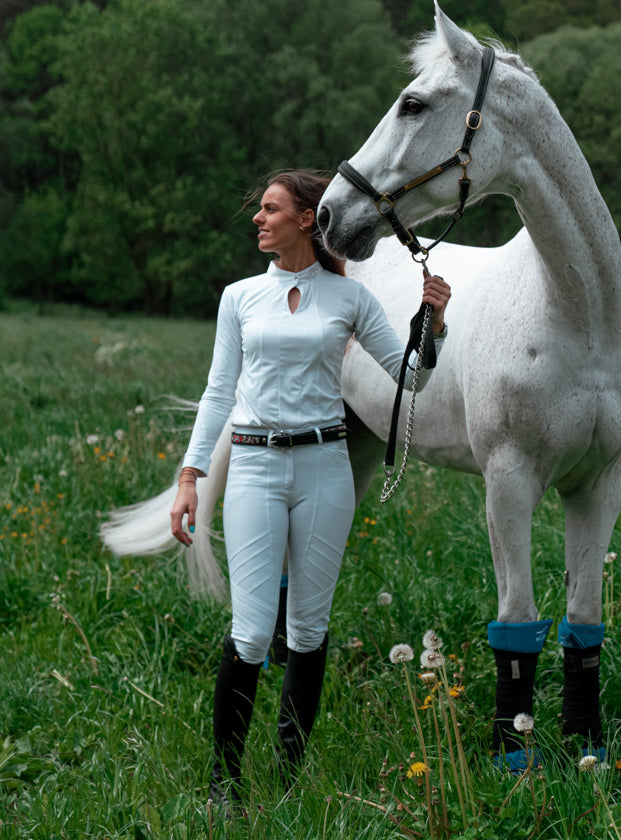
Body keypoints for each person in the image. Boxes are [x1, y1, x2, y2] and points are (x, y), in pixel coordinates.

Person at [169, 170, 451, 805]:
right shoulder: (239, 297)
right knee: (248, 631)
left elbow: (413, 378)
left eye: (270, 210)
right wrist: (190, 476)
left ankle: (291, 779)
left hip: (325, 470)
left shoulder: (347, 299)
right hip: (254, 468)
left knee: (309, 629)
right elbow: (218, 392)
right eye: (258, 211)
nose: (257, 219)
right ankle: (224, 784)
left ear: (305, 218)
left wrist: (431, 326)